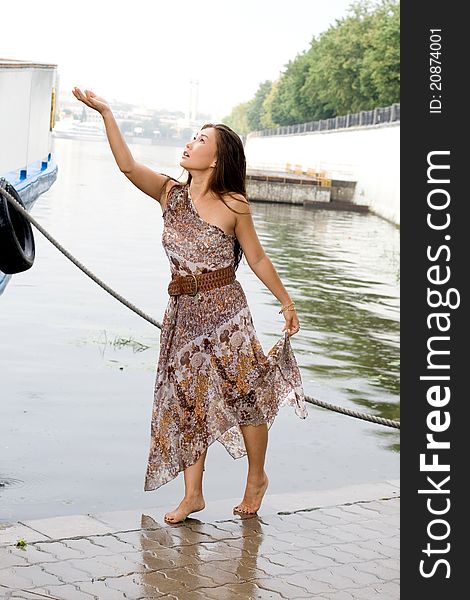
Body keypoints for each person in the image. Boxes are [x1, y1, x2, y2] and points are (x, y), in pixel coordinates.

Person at [72, 87, 309, 524]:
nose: (190, 143)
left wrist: (286, 301)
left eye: (201, 140)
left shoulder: (233, 204)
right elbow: (126, 166)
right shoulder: (169, 194)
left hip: (226, 310)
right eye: (193, 137)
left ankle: (256, 478)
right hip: (181, 312)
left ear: (216, 160)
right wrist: (106, 112)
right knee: (187, 401)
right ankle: (193, 495)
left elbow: (255, 257)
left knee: (247, 396)